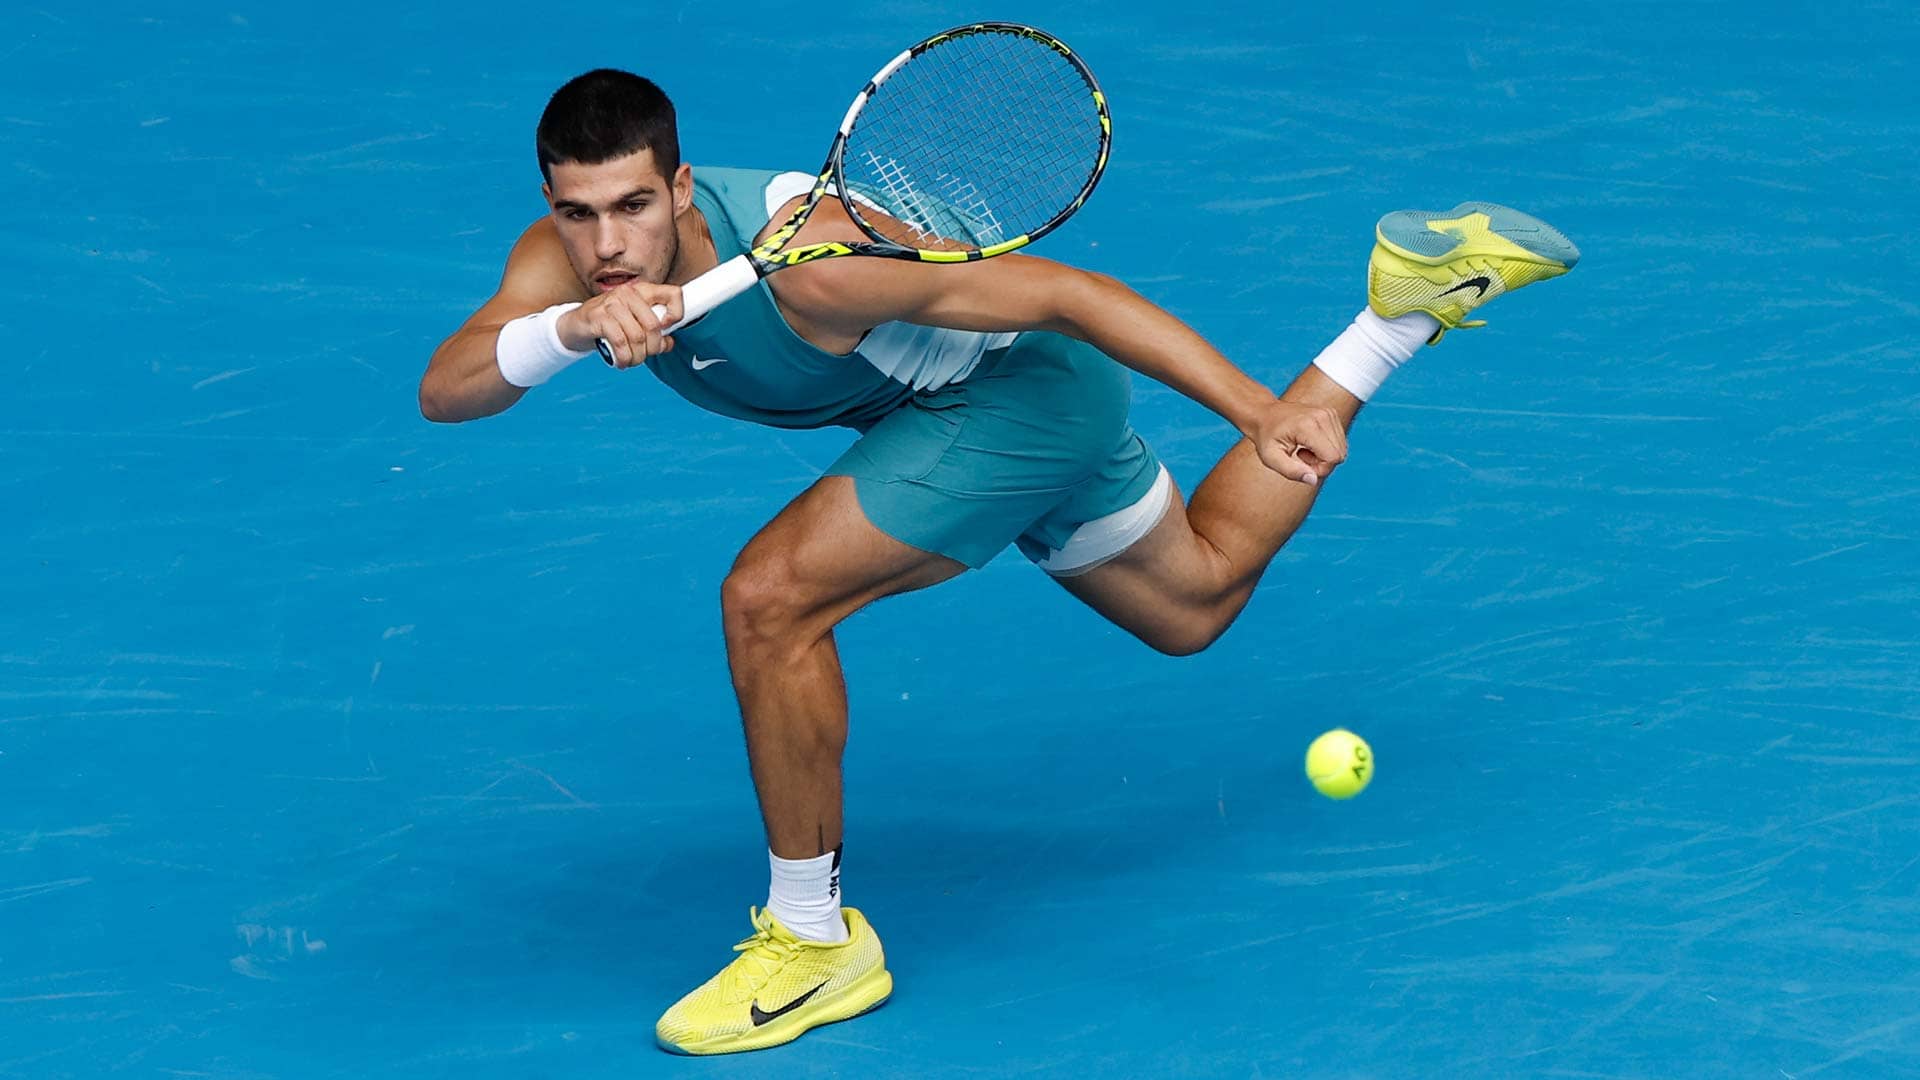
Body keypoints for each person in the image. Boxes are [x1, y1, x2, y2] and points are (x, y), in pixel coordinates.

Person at [418, 68, 1578, 1055]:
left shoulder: (818, 261)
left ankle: (813, 941)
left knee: (769, 602)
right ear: (551, 208)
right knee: (1195, 599)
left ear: (681, 187)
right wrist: (572, 330)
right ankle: (1401, 314)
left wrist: (1248, 409)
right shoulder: (573, 271)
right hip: (941, 418)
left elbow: (1068, 296)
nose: (609, 245)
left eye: (633, 205)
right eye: (580, 215)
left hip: (1017, 401)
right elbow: (448, 387)